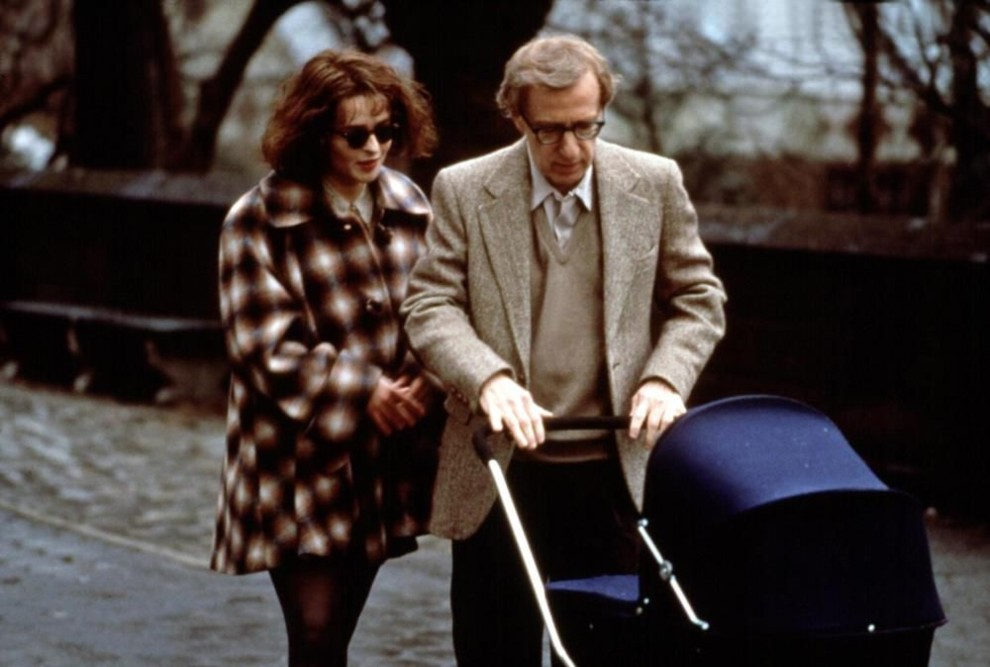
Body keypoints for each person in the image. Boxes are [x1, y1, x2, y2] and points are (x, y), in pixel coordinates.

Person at [400, 34, 727, 666]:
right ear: (516, 116)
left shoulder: (654, 182)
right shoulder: (464, 189)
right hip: (501, 474)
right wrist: (487, 379)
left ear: (603, 109)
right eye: (548, 130)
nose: (570, 148)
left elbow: (698, 298)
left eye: (585, 126)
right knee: (495, 652)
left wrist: (665, 378)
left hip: (613, 472)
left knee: (608, 654)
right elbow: (430, 305)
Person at [209, 50, 442, 667]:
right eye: (355, 135)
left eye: (386, 130)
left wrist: (425, 378)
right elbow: (258, 343)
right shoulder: (257, 219)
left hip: (382, 455)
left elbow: (442, 306)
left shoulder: (409, 202)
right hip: (296, 457)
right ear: (315, 133)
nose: (374, 147)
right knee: (313, 633)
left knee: (334, 634)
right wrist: (359, 388)